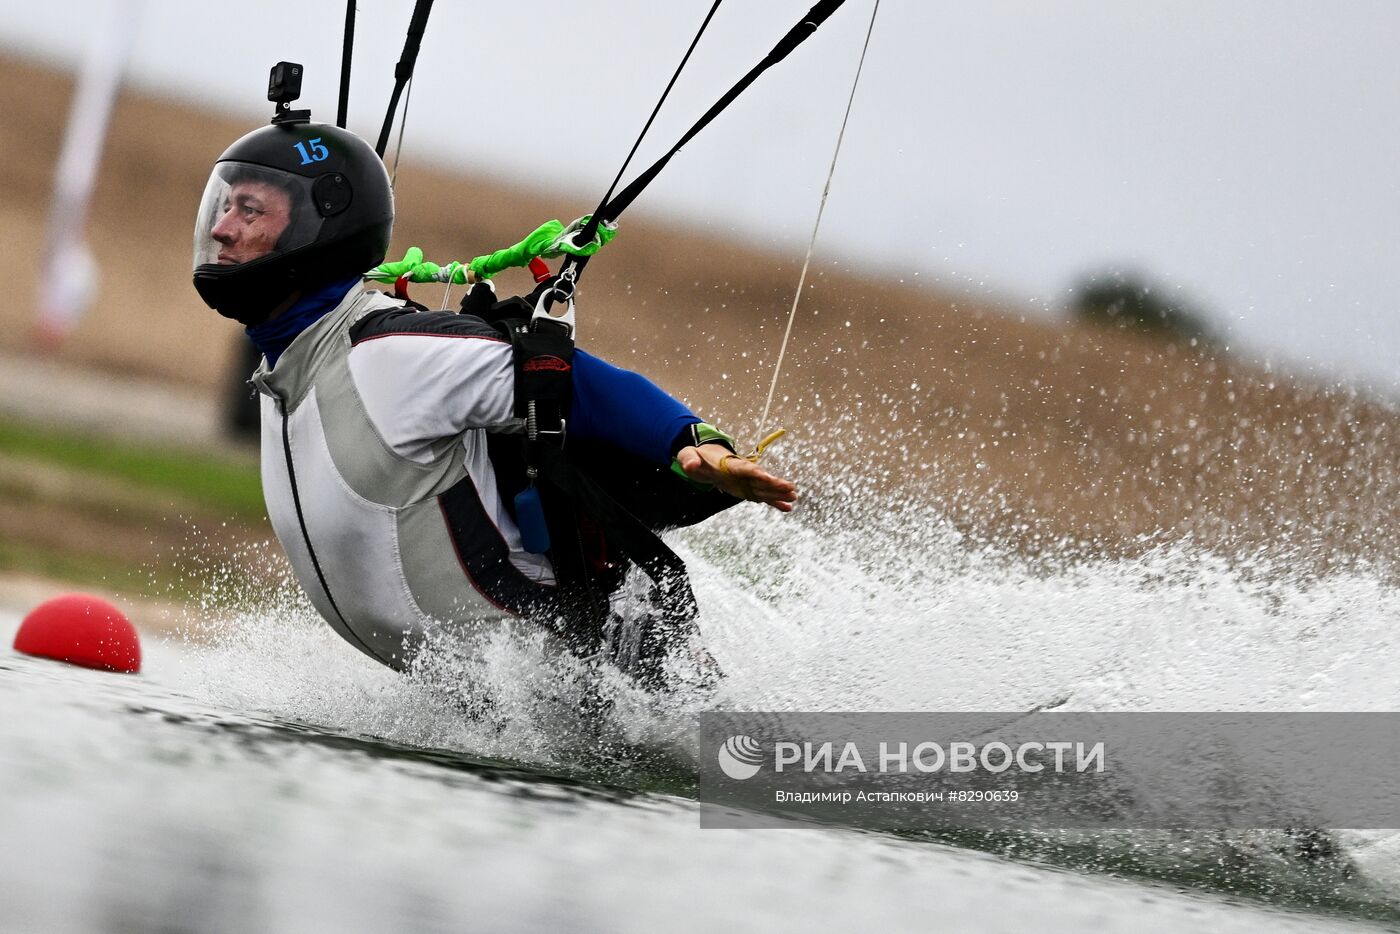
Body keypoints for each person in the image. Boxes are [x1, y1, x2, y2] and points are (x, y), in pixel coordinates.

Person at [192, 111, 797, 688]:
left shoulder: (390, 356)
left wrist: (691, 444)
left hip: (589, 683)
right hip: (489, 706)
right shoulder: (287, 368)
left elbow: (563, 377)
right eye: (224, 205)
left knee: (741, 766)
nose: (222, 228)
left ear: (317, 227)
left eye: (250, 210)